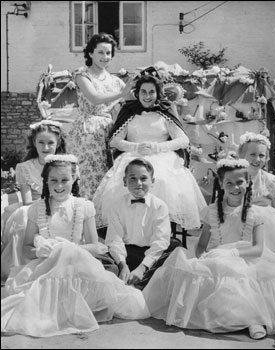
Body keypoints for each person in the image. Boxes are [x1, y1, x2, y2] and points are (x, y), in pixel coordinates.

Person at [142, 158, 275, 339]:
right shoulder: (212, 211)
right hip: (215, 256)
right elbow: (201, 245)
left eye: (240, 182)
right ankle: (214, 315)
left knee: (244, 277)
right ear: (221, 184)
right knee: (196, 270)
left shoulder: (256, 214)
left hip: (246, 258)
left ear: (248, 183)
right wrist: (202, 257)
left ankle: (254, 318)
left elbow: (258, 249)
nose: (235, 187)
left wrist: (232, 252)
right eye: (229, 183)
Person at [1, 154, 149, 337]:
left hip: (78, 266)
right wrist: (40, 250)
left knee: (69, 253)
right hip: (46, 266)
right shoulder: (36, 209)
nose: (59, 185)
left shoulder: (83, 206)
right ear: (46, 181)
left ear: (74, 179)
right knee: (31, 305)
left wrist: (67, 249)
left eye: (65, 180)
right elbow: (26, 247)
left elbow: (95, 246)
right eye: (53, 180)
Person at [93, 73, 207, 232]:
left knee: (161, 181)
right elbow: (115, 141)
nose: (147, 96)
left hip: (162, 156)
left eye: (151, 92)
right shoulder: (129, 111)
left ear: (158, 93)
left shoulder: (165, 111)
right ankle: (130, 230)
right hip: (133, 156)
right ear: (137, 93)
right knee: (121, 185)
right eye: (143, 92)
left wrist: (157, 147)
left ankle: (160, 230)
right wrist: (136, 147)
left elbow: (183, 140)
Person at [67, 32, 134, 199]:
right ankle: (85, 216)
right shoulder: (82, 75)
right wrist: (121, 93)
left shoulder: (115, 80)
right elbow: (95, 98)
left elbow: (133, 103)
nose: (105, 57)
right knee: (88, 174)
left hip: (109, 130)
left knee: (108, 174)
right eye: (101, 52)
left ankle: (102, 219)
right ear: (90, 53)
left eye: (109, 53)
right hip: (88, 130)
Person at [1, 119, 67, 279]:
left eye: (50, 143)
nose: (45, 147)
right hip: (33, 207)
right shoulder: (24, 167)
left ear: (57, 143)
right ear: (34, 143)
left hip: (60, 204)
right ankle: (22, 269)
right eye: (41, 142)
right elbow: (27, 201)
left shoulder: (66, 166)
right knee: (24, 215)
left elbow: (70, 195)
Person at [105, 158, 182, 290]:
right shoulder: (116, 206)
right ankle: (125, 281)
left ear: (152, 182)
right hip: (126, 252)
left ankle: (141, 284)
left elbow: (160, 241)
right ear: (125, 181)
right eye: (133, 178)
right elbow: (115, 238)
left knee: (175, 249)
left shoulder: (160, 206)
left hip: (150, 254)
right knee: (105, 259)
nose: (138, 183)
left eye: (143, 178)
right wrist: (122, 265)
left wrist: (142, 268)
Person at [237, 131, 275, 260]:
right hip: (241, 222)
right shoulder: (237, 177)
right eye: (252, 154)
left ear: (266, 157)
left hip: (266, 228)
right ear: (242, 155)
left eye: (261, 155)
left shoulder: (270, 181)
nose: (257, 159)